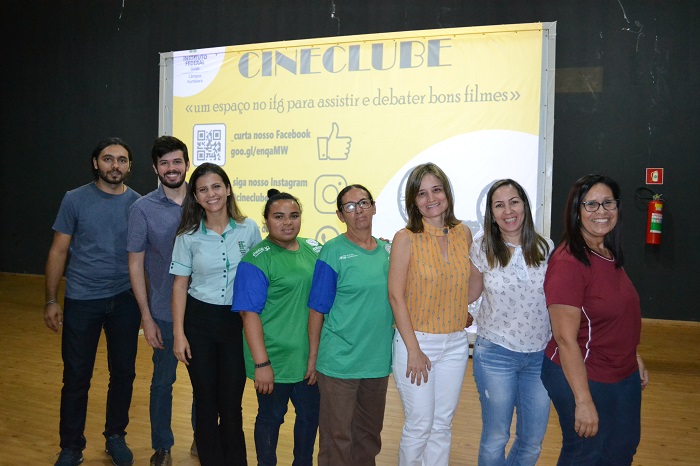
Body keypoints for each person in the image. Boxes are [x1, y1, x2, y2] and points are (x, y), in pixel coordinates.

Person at [44, 137, 141, 466]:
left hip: (125, 300)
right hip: (82, 300)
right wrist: (50, 300)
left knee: (124, 373)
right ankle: (71, 447)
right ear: (95, 163)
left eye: (122, 160)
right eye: (108, 159)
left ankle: (116, 436)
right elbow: (58, 250)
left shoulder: (138, 204)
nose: (115, 165)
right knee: (75, 377)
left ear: (129, 166)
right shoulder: (74, 199)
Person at [540, 174, 649, 465]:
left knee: (622, 449)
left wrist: (632, 354)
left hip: (621, 371)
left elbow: (614, 314)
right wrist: (583, 400)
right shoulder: (567, 263)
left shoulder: (606, 249)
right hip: (585, 374)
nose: (601, 211)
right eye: (591, 204)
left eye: (608, 203)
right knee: (587, 455)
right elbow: (564, 338)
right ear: (576, 211)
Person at [387, 162, 480, 466]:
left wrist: (457, 308)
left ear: (447, 193)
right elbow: (396, 296)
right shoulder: (406, 237)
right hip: (417, 344)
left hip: (455, 344)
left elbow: (469, 285)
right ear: (413, 201)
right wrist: (413, 349)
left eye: (436, 190)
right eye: (421, 193)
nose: (431, 199)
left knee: (442, 426)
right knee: (419, 425)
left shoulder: (463, 233)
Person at [170, 162, 261, 466]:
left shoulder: (248, 229)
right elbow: (180, 286)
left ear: (228, 189)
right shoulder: (187, 236)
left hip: (236, 324)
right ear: (195, 197)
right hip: (199, 323)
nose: (211, 194)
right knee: (206, 401)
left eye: (216, 186)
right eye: (203, 189)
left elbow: (260, 276)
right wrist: (179, 334)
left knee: (232, 404)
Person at [232, 189, 321, 466]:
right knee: (270, 419)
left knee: (309, 418)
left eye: (294, 216)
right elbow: (248, 315)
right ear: (266, 221)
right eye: (279, 216)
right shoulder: (256, 260)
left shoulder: (314, 249)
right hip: (273, 361)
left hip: (309, 359)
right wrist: (262, 364)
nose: (288, 222)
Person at [307, 184, 394, 466]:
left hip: (377, 363)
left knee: (369, 436)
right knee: (337, 438)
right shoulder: (332, 252)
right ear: (341, 215)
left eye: (364, 203)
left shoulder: (388, 251)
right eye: (350, 206)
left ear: (374, 207)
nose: (359, 210)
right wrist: (313, 358)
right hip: (338, 364)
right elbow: (317, 309)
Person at [469, 179, 553, 466]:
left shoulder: (546, 248)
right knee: (496, 438)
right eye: (499, 205)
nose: (508, 210)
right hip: (495, 355)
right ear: (492, 214)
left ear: (525, 206)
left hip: (540, 358)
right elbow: (469, 294)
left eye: (514, 202)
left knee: (532, 441)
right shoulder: (481, 248)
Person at [127, 135, 195, 466]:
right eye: (165, 163)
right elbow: (135, 264)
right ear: (156, 168)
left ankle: (203, 438)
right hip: (163, 314)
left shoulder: (204, 200)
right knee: (162, 383)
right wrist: (146, 318)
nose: (172, 168)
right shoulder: (142, 209)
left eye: (177, 161)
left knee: (205, 383)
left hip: (204, 312)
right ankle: (162, 445)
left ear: (187, 163)